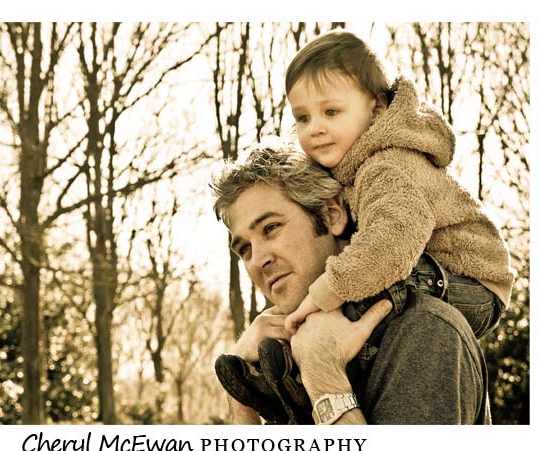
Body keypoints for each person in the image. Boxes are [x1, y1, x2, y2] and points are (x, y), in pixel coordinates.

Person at [211, 142, 493, 424]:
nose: (259, 259)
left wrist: (324, 376)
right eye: (245, 249)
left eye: (271, 228)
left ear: (331, 214)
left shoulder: (424, 329)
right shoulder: (282, 353)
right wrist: (242, 392)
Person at [282, 29, 514, 338]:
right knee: (353, 283)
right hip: (436, 271)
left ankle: (321, 344)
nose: (315, 128)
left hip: (471, 280)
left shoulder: (385, 165)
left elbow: (391, 241)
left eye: (331, 112)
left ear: (376, 111)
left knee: (365, 283)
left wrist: (323, 294)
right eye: (303, 118)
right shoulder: (354, 171)